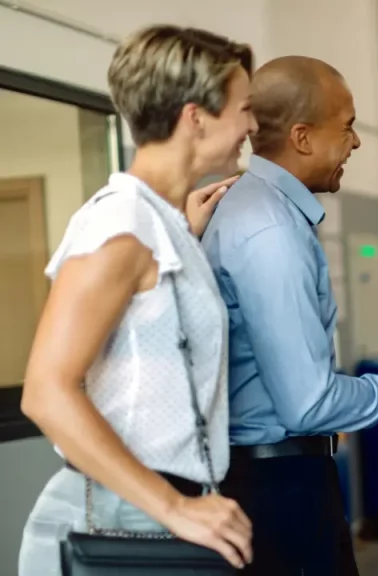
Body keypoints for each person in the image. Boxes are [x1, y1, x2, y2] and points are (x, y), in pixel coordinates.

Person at [18, 24, 258, 574]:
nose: (251, 123)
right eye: (243, 108)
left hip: (148, 510)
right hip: (113, 522)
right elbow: (46, 392)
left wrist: (181, 235)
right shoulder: (121, 224)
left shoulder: (158, 225)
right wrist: (174, 506)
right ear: (196, 117)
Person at [201, 55, 378, 576]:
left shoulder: (260, 212)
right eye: (348, 127)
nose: (357, 143)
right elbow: (308, 402)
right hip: (278, 489)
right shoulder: (271, 231)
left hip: (274, 478)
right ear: (302, 137)